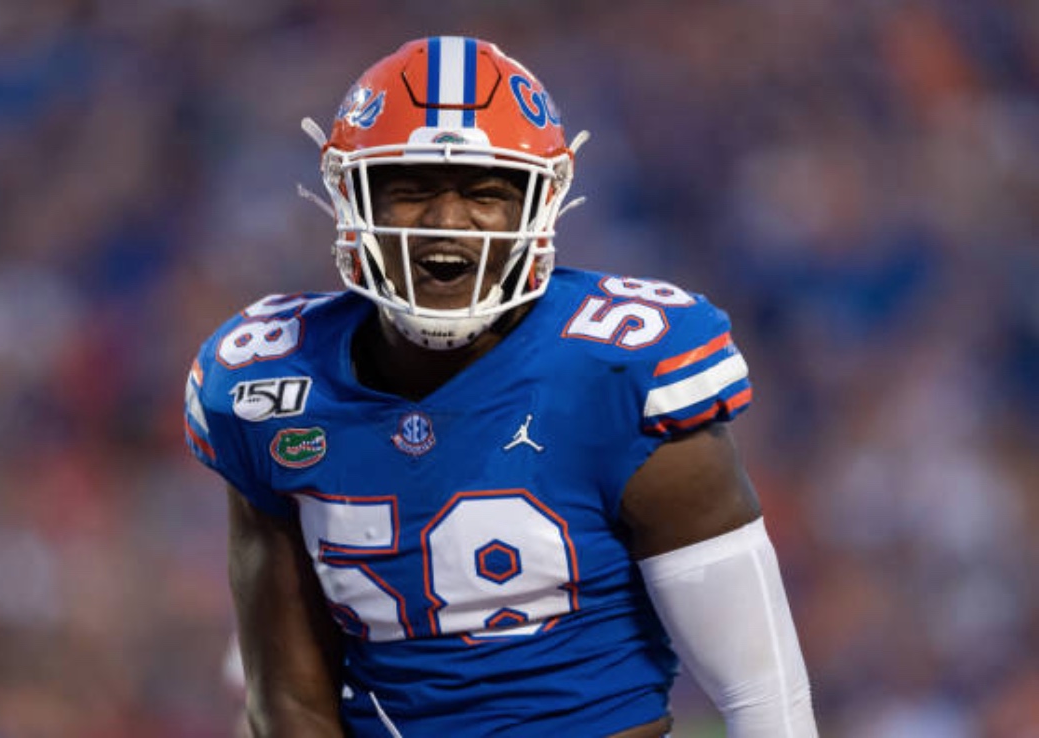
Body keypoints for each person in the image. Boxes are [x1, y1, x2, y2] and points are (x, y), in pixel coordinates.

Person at [185, 36, 818, 737]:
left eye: (485, 192)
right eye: (411, 190)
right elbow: (290, 708)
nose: (446, 222)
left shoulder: (621, 371)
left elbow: (764, 698)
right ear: (350, 197)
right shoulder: (268, 387)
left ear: (540, 206)